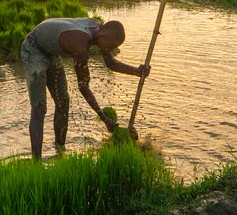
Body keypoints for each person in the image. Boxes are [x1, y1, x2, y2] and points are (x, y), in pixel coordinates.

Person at [19, 16, 150, 158]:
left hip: (51, 50)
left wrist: (137, 72)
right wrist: (104, 118)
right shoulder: (80, 46)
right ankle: (36, 162)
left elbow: (110, 63)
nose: (110, 51)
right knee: (39, 108)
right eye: (110, 47)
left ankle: (60, 151)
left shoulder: (99, 29)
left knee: (63, 102)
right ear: (103, 37)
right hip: (34, 48)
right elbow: (83, 87)